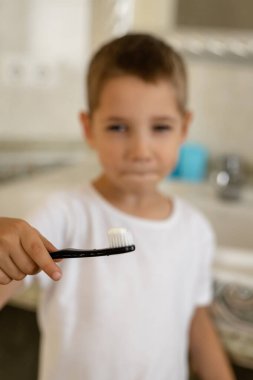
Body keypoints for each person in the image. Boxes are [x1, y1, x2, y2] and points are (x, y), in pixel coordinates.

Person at [0, 33, 235, 380]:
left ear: (183, 128)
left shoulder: (195, 230)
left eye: (160, 127)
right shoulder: (63, 215)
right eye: (118, 127)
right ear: (88, 128)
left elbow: (195, 321)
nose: (141, 150)